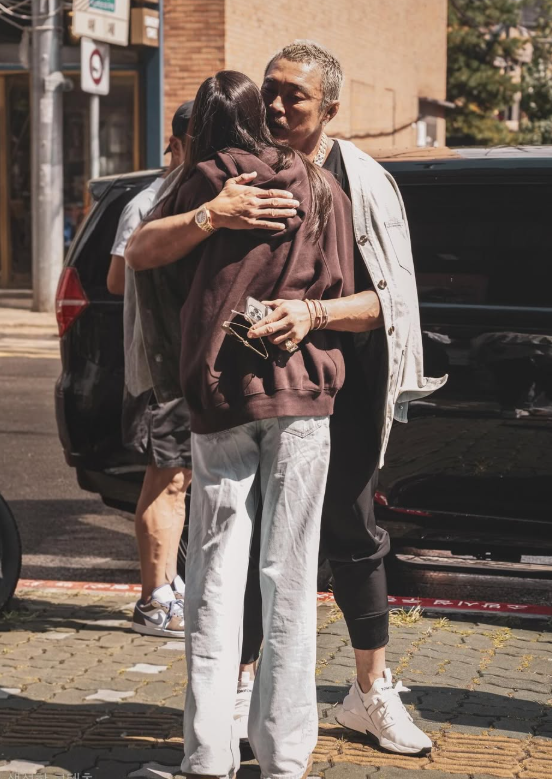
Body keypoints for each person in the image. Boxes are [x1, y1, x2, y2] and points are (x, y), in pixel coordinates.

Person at [126, 42, 446, 758]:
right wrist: (213, 213)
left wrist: (311, 314)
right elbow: (141, 249)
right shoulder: (218, 176)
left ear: (330, 107)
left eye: (293, 96)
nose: (275, 105)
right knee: (238, 562)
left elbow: (391, 301)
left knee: (347, 538)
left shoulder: (352, 181)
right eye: (267, 90)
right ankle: (243, 707)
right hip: (233, 398)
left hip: (330, 389)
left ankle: (369, 690)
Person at [128, 69, 355, 779]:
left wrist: (209, 217)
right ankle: (284, 757)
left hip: (221, 393)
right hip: (302, 393)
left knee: (214, 573)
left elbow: (139, 253)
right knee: (291, 574)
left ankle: (206, 754)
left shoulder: (205, 180)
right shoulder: (322, 187)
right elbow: (345, 292)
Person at [106, 101, 195, 638]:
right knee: (168, 481)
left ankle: (166, 584)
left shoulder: (179, 198)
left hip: (175, 366)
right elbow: (117, 280)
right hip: (157, 366)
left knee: (177, 480)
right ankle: (153, 600)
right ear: (178, 145)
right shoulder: (149, 203)